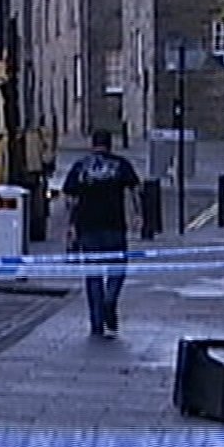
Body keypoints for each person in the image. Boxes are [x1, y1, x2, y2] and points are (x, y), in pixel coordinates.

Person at [58, 129, 142, 337]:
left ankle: (97, 324)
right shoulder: (121, 164)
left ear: (92, 144)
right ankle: (110, 300)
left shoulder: (80, 166)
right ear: (110, 144)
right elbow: (135, 191)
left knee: (93, 276)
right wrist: (138, 215)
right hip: (115, 225)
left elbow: (70, 198)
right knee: (118, 270)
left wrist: (71, 225)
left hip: (87, 227)